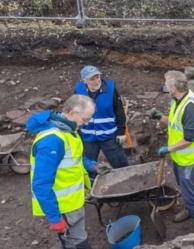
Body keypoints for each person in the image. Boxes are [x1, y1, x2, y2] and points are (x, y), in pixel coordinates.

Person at [27, 95, 101, 249]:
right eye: (86, 119)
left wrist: (91, 166)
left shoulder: (68, 130)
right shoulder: (52, 141)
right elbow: (41, 184)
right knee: (76, 243)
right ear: (73, 113)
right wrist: (55, 219)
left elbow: (73, 157)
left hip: (73, 202)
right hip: (63, 207)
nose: (86, 123)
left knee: (75, 240)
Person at [152, 70, 194, 233]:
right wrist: (160, 117)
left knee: (190, 193)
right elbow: (175, 123)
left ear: (173, 88)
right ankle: (191, 210)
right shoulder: (177, 100)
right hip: (179, 155)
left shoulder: (190, 107)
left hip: (188, 158)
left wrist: (167, 149)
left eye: (166, 84)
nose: (165, 86)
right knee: (184, 188)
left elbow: (189, 138)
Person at [74, 65, 129, 169]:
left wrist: (121, 132)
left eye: (98, 77)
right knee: (87, 167)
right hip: (88, 137)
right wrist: (76, 131)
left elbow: (119, 112)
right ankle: (92, 183)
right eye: (92, 79)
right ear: (84, 80)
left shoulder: (111, 89)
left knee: (121, 164)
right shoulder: (79, 91)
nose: (96, 81)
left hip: (109, 136)